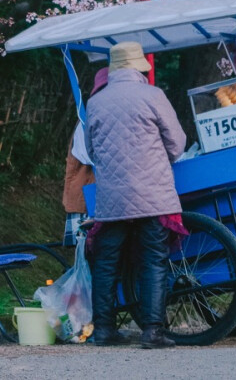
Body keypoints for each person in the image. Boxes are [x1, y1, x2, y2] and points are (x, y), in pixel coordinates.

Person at [84, 41, 186, 349]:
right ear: (140, 68)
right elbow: (177, 143)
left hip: (112, 198)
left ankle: (103, 330)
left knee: (106, 262)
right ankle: (152, 331)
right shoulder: (153, 95)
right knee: (153, 260)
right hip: (152, 194)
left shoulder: (95, 103)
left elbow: (90, 151)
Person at [61, 67, 107, 246]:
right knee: (86, 251)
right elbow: (88, 155)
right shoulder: (85, 118)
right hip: (85, 197)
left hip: (99, 195)